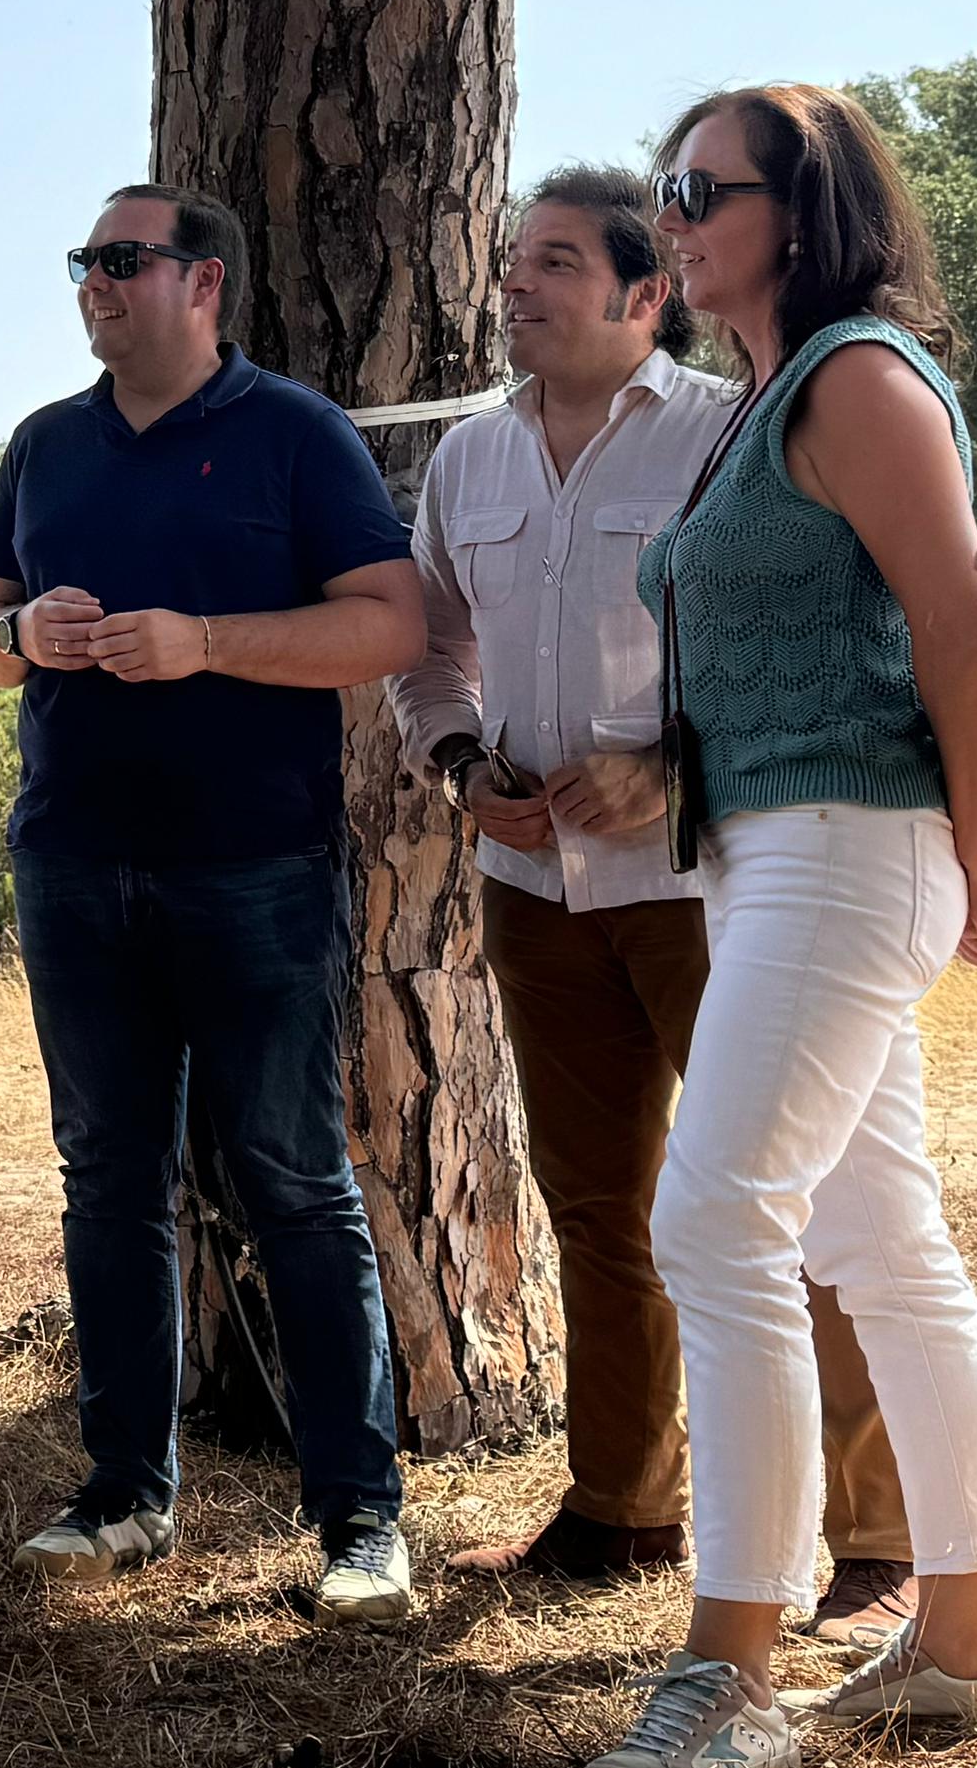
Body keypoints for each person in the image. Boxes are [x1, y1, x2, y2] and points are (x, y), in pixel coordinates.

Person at [567, 89, 977, 1768]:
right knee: (877, 1230)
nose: (675, 219)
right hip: (763, 846)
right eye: (666, 190)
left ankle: (733, 1664)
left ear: (804, 203)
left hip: (850, 848)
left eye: (706, 191)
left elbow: (962, 631)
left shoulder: (858, 375)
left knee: (714, 1215)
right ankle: (971, 1632)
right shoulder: (765, 397)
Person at [392, 166, 915, 1626]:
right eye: (510, 264)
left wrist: (670, 764)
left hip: (708, 878)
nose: (516, 287)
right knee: (597, 1201)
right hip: (528, 882)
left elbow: (806, 637)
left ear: (646, 295)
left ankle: (876, 1541)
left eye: (553, 263)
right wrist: (454, 758)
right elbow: (427, 648)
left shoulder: (731, 437)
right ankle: (622, 1506)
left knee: (790, 1200)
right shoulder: (467, 466)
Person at [0, 185, 431, 1626]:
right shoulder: (46, 446)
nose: (93, 285)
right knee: (108, 1180)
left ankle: (360, 1522)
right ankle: (123, 1496)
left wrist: (206, 643)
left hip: (258, 870)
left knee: (292, 1180)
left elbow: (390, 625)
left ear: (202, 282)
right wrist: (19, 633)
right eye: (82, 264)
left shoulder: (296, 435)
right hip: (74, 863)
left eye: (120, 261)